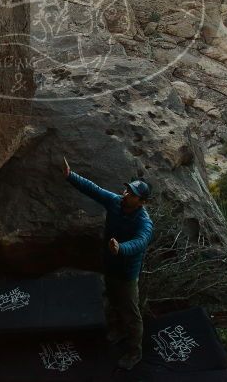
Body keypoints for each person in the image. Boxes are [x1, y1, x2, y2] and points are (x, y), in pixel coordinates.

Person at [62, 157, 153, 370]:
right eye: (127, 190)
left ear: (142, 202)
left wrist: (121, 249)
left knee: (131, 313)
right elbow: (94, 190)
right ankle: (119, 330)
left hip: (127, 273)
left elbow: (140, 243)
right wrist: (70, 175)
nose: (126, 194)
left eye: (132, 194)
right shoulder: (116, 202)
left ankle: (134, 352)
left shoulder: (144, 223)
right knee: (113, 300)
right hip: (110, 265)